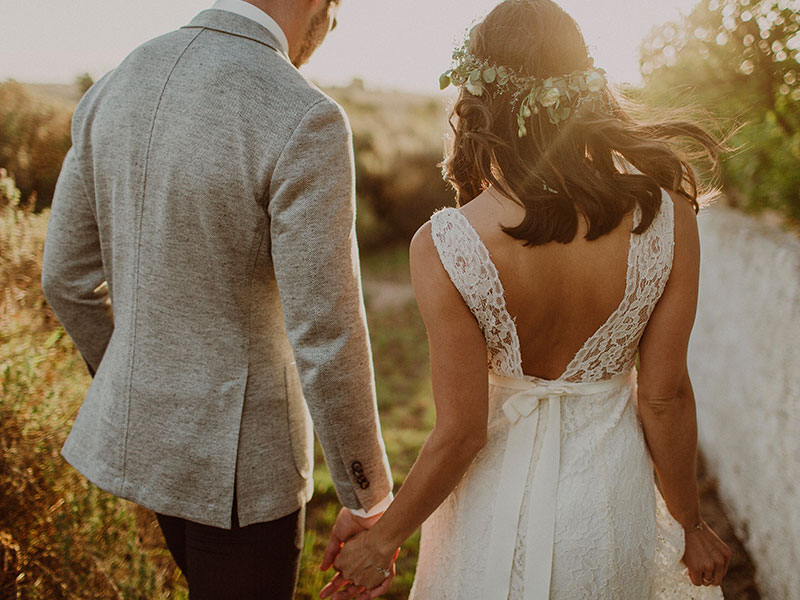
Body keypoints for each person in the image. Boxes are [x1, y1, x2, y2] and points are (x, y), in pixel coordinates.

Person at [321, 0, 732, 598]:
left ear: (478, 100)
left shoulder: (444, 243)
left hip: (490, 513)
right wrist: (690, 524)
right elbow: (664, 397)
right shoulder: (667, 215)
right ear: (587, 87)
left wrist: (383, 542)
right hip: (607, 513)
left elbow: (461, 432)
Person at [40, 1, 395, 598]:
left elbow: (65, 280)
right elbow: (325, 333)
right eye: (336, 10)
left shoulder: (113, 86)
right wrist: (369, 497)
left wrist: (133, 380)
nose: (332, 28)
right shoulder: (304, 114)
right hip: (244, 474)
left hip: (148, 443)